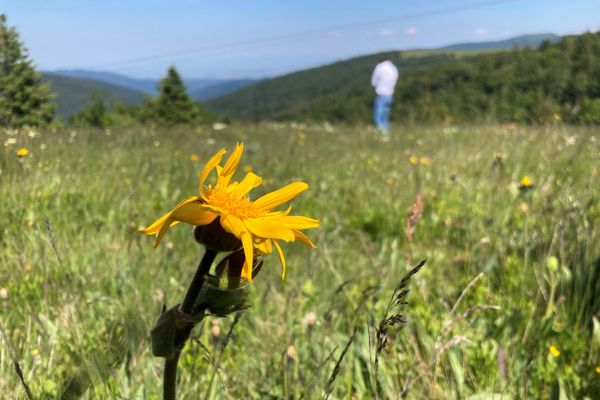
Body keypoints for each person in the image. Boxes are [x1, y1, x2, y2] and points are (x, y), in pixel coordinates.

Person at [371, 58, 398, 137]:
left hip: (381, 94)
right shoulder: (393, 68)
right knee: (385, 118)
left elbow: (373, 82)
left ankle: (381, 134)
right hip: (390, 95)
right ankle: (386, 134)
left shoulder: (379, 67)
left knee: (377, 118)